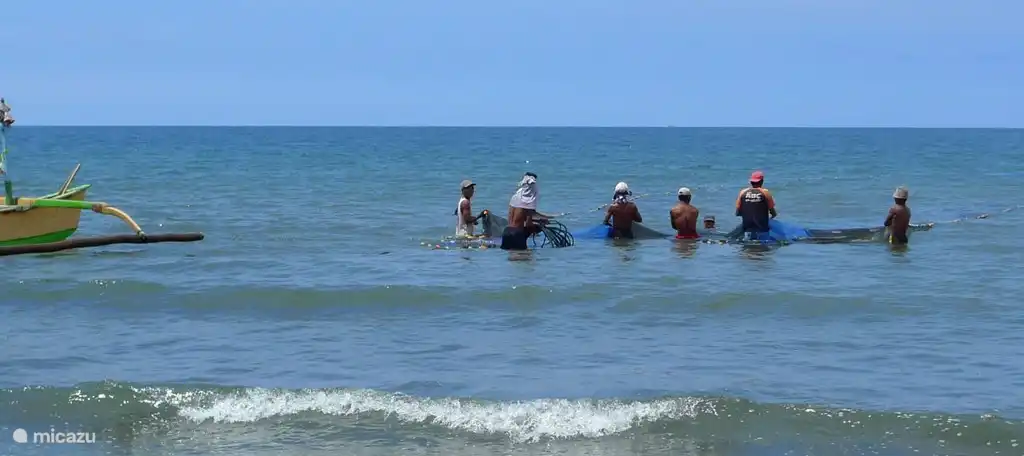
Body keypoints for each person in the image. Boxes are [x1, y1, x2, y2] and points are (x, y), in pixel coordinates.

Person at [501, 172, 548, 250]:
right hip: (517, 233)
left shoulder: (515, 197)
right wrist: (539, 227)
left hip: (506, 232)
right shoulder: (527, 199)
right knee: (523, 256)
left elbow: (518, 217)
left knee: (511, 256)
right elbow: (528, 224)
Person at [735, 170, 777, 240]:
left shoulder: (742, 192)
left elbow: (737, 213)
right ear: (762, 181)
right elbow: (773, 214)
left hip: (747, 229)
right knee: (763, 245)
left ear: (751, 182)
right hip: (762, 229)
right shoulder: (765, 193)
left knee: (748, 245)